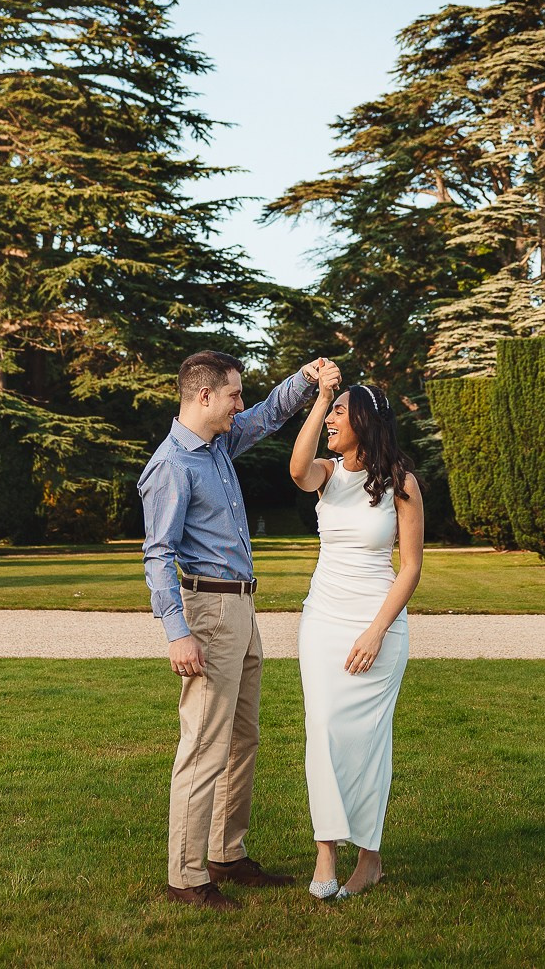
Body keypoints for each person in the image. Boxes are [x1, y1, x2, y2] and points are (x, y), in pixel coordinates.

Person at [140, 348, 333, 909]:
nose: (239, 404)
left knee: (242, 737)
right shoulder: (172, 465)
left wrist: (306, 379)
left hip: (242, 612)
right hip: (207, 615)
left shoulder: (219, 443)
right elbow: (157, 555)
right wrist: (178, 631)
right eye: (232, 395)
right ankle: (186, 876)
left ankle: (226, 852)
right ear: (204, 396)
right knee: (203, 745)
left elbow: (272, 413)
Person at [288, 369, 423, 901]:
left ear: (363, 420)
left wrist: (376, 631)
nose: (330, 424)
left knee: (367, 741)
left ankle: (370, 859)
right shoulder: (326, 472)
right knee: (321, 728)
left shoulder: (401, 483)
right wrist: (321, 398)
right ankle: (327, 848)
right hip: (322, 617)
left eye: (340, 412)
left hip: (378, 622)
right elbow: (296, 469)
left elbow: (410, 567)